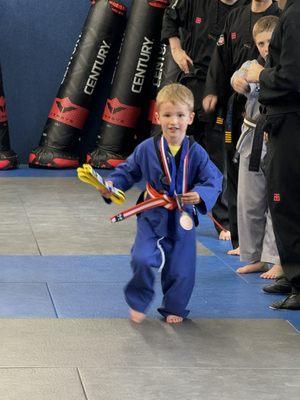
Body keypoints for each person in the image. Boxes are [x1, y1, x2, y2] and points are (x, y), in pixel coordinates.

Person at [99, 83, 222, 323]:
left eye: (180, 115)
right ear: (157, 116)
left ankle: (174, 307)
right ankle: (138, 300)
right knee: (142, 258)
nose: (173, 122)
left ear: (191, 117)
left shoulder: (196, 152)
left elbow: (213, 179)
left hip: (182, 214)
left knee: (181, 267)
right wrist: (110, 187)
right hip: (152, 211)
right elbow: (127, 171)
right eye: (167, 115)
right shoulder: (147, 148)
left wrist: (199, 195)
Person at [161, 0, 249, 240]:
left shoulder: (245, 10)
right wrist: (176, 49)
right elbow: (170, 16)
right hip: (194, 81)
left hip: (226, 87)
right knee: (182, 151)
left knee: (219, 154)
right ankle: (170, 208)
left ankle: (224, 220)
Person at [203, 0, 280, 255]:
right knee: (236, 174)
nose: (264, 47)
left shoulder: (280, 16)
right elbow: (221, 58)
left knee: (269, 186)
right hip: (238, 109)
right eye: (262, 44)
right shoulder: (236, 16)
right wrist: (213, 89)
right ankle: (240, 240)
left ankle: (270, 251)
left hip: (271, 114)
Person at [246, 0, 300, 309]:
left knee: (287, 202)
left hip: (292, 122)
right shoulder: (291, 15)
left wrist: (260, 74)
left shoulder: (294, 16)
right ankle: (293, 273)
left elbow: (291, 78)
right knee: (284, 201)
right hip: (285, 119)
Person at [230, 15, 282, 279]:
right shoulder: (251, 66)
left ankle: (274, 258)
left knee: (276, 201)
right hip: (251, 134)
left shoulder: (285, 69)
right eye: (260, 43)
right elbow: (238, 78)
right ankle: (252, 255)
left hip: (276, 135)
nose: (265, 47)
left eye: (270, 42)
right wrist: (238, 81)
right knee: (249, 199)